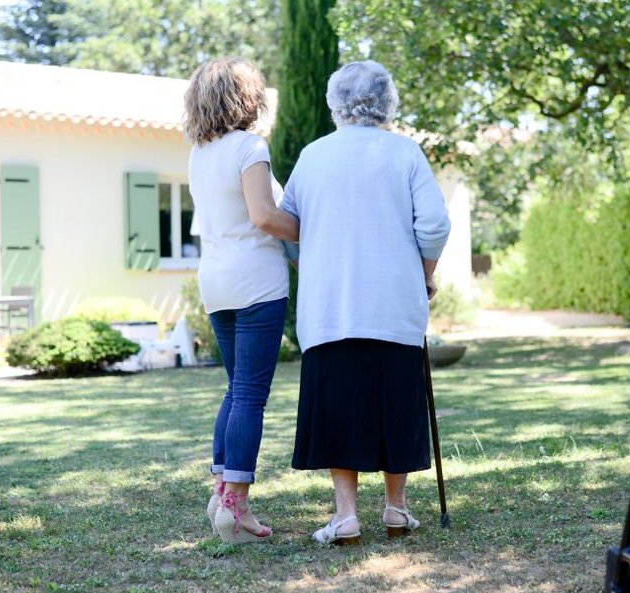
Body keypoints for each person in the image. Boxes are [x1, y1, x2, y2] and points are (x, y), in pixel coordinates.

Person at [282, 60, 451, 545]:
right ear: (387, 100)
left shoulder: (314, 155)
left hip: (331, 307)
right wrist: (424, 274)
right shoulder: (405, 153)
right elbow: (435, 224)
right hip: (394, 304)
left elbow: (287, 225)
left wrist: (308, 265)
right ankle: (396, 510)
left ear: (335, 101)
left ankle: (347, 516)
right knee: (396, 402)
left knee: (339, 406)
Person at [184, 58, 298, 544]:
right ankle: (236, 506)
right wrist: (318, 233)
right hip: (256, 283)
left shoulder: (198, 152)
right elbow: (265, 217)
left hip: (216, 283)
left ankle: (221, 492)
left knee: (236, 390)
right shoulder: (250, 147)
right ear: (248, 99)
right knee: (250, 395)